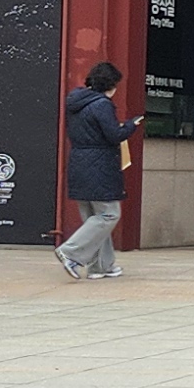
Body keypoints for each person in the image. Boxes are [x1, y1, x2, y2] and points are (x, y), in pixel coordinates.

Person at [57, 61, 136, 278]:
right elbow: (114, 135)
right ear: (111, 84)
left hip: (79, 162)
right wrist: (131, 126)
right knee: (109, 214)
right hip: (100, 165)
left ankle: (100, 266)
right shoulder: (102, 104)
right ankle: (70, 252)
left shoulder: (75, 102)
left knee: (94, 217)